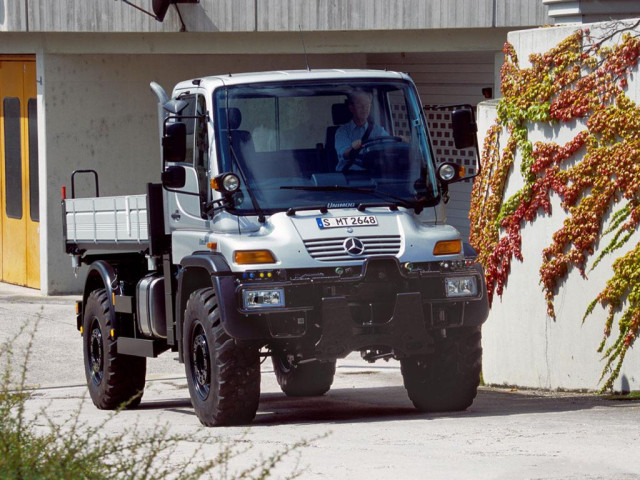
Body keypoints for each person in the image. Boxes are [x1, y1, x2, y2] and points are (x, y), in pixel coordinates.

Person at [334, 90, 388, 172]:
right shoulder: (342, 132)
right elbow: (344, 154)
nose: (364, 109)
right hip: (348, 176)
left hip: (373, 174)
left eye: (367, 105)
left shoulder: (378, 130)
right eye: (360, 105)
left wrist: (400, 140)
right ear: (351, 108)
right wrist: (352, 148)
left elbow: (389, 145)